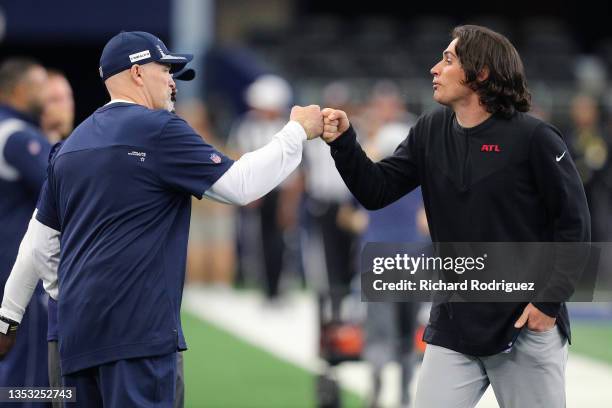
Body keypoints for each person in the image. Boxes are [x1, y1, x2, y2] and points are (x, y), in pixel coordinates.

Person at [0, 31, 323, 407]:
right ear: (137, 73)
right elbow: (241, 185)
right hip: (140, 336)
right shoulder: (158, 129)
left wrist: (12, 316)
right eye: (166, 69)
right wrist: (297, 131)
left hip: (75, 338)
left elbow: (38, 241)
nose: (173, 81)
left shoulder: (69, 147)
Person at [321, 25, 590, 408]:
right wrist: (345, 143)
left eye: (447, 60)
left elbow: (574, 225)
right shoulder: (430, 129)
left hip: (523, 323)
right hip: (454, 320)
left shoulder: (535, 138)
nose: (434, 68)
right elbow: (376, 190)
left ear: (480, 73)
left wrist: (548, 305)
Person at [0, 57, 52, 405]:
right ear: (20, 90)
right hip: (18, 268)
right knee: (27, 373)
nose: (46, 94)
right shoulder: (17, 135)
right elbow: (60, 188)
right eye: (39, 85)